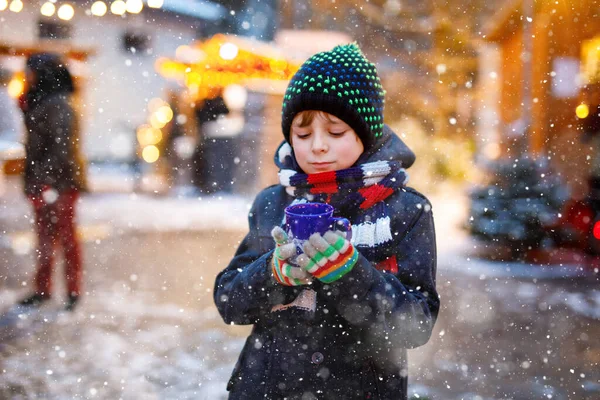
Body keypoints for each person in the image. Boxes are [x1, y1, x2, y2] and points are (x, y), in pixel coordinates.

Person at [214, 43, 439, 399]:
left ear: (364, 135)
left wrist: (350, 274)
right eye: (303, 134)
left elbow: (415, 326)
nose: (317, 146)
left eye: (335, 133)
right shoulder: (272, 203)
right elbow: (229, 300)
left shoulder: (403, 211)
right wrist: (273, 274)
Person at [18, 53, 87, 312]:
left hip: (59, 183)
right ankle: (43, 288)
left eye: (32, 72)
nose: (28, 77)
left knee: (64, 238)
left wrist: (46, 182)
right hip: (47, 182)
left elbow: (62, 148)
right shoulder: (44, 100)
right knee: (46, 238)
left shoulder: (58, 104)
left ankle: (72, 291)